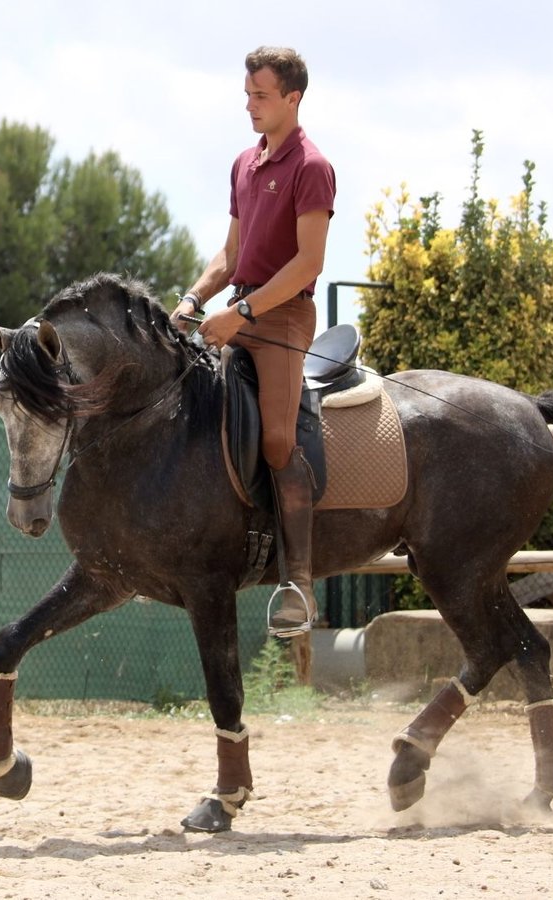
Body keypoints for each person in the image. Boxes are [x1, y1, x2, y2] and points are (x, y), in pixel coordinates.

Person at [170, 46, 336, 638]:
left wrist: (240, 312)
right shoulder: (244, 162)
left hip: (284, 318)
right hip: (237, 307)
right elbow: (232, 254)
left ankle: (299, 583)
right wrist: (190, 303)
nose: (250, 105)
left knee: (275, 438)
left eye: (261, 95)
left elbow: (306, 263)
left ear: (293, 98)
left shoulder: (311, 167)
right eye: (247, 94)